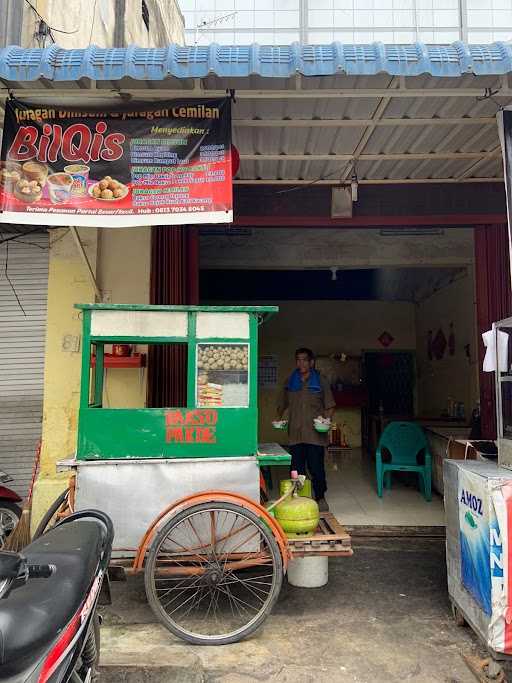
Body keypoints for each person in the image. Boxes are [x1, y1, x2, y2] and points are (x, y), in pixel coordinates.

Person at [276, 347, 335, 511]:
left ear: (311, 362)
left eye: (304, 359)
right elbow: (282, 404)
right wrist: (280, 418)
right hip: (295, 433)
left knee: (316, 468)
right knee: (296, 469)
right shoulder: (290, 381)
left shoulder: (321, 381)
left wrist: (326, 421)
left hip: (315, 434)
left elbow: (330, 406)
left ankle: (321, 497)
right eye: (298, 359)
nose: (300, 363)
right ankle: (299, 498)